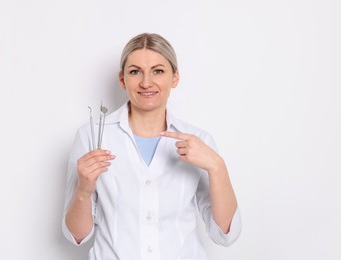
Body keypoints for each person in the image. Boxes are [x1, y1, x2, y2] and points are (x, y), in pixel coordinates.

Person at [62, 33, 242, 259]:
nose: (146, 82)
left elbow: (226, 234)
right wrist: (83, 191)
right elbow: (76, 235)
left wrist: (217, 166)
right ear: (122, 79)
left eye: (158, 71)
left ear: (174, 78)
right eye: (135, 71)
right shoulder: (92, 136)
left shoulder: (198, 140)